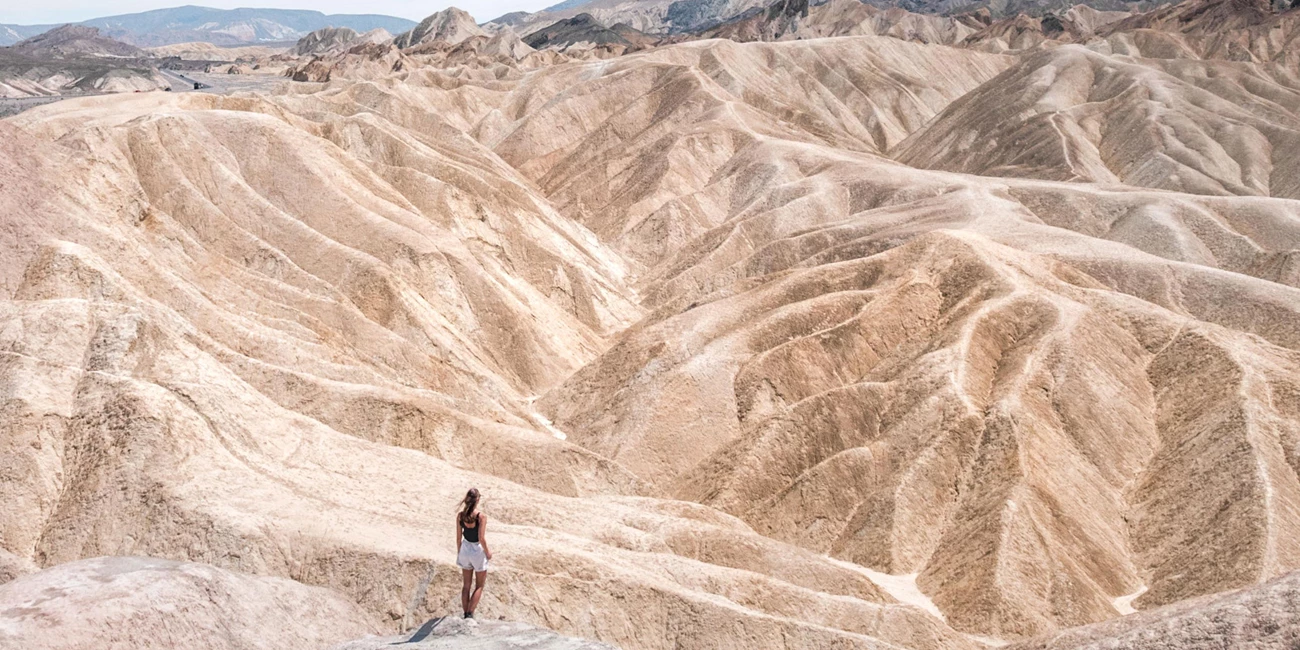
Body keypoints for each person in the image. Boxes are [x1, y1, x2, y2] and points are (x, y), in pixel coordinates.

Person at [455, 488, 491, 619]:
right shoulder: (481, 517)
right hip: (477, 550)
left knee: (466, 585)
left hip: (465, 548)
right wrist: (488, 552)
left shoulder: (460, 516)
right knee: (479, 585)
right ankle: (470, 613)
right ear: (478, 500)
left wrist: (459, 552)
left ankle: (465, 613)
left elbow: (458, 538)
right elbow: (481, 538)